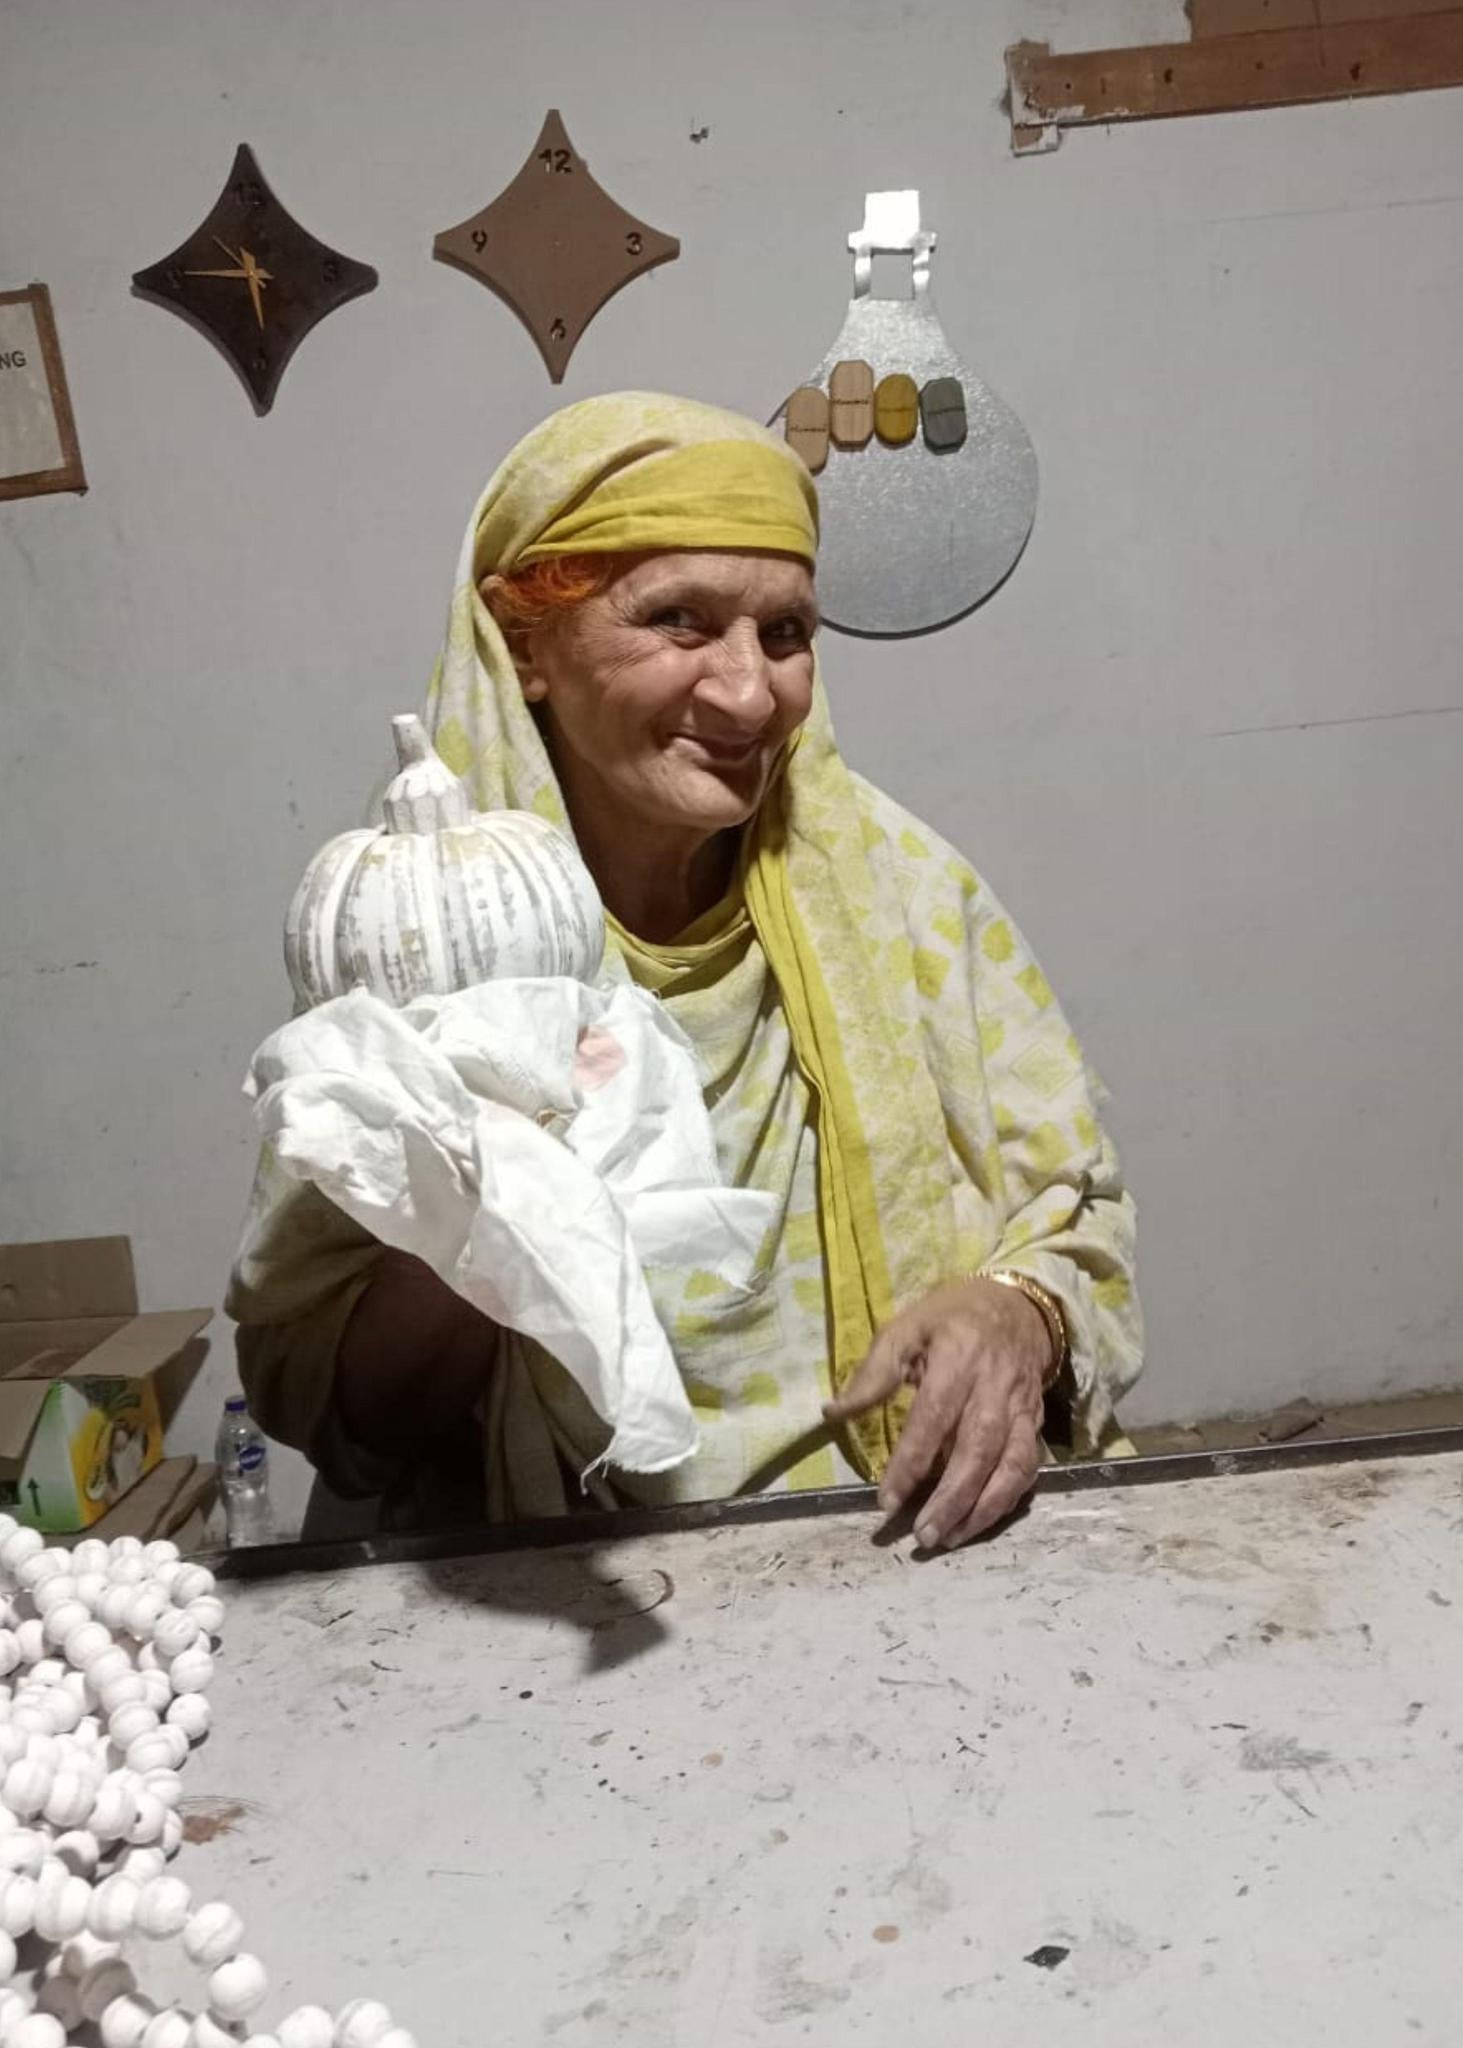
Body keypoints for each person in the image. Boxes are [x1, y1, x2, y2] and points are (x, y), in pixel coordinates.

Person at [228, 393, 1143, 1548]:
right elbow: (340, 1407)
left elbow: (1080, 1218)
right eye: (678, 621)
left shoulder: (905, 895)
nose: (749, 692)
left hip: (900, 1532)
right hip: (571, 1581)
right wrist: (486, 1204)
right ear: (527, 648)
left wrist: (1019, 1315)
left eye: (786, 633)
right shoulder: (418, 956)